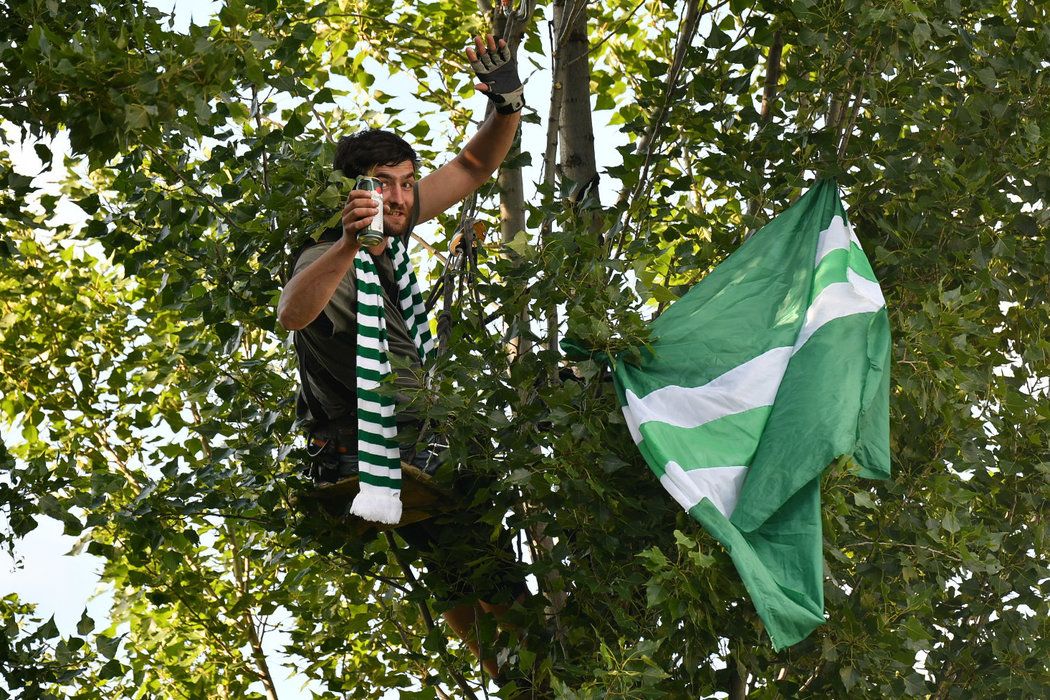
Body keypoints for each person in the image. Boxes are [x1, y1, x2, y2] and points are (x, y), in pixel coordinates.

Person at [277, 33, 529, 682]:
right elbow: (293, 314)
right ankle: (523, 666)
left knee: (455, 556)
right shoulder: (327, 259)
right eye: (381, 186)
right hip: (372, 438)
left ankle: (519, 673)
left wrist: (506, 103)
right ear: (352, 194)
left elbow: (473, 168)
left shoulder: (398, 224)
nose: (398, 198)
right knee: (481, 561)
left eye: (405, 185)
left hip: (414, 440)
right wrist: (345, 247)